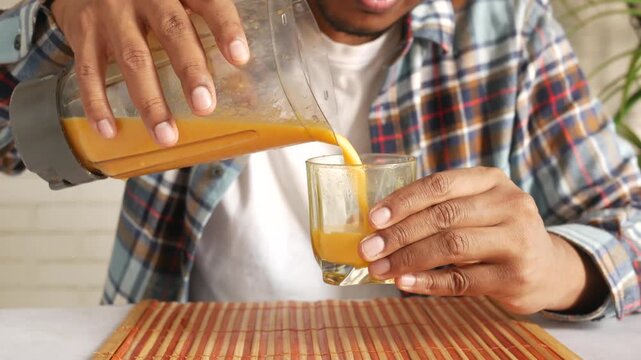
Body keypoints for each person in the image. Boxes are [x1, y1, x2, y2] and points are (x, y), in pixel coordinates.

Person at [1, 0, 640, 322]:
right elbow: (13, 138)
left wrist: (555, 266)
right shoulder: (189, 16)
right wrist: (62, 15)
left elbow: (631, 221)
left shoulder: (508, 26)